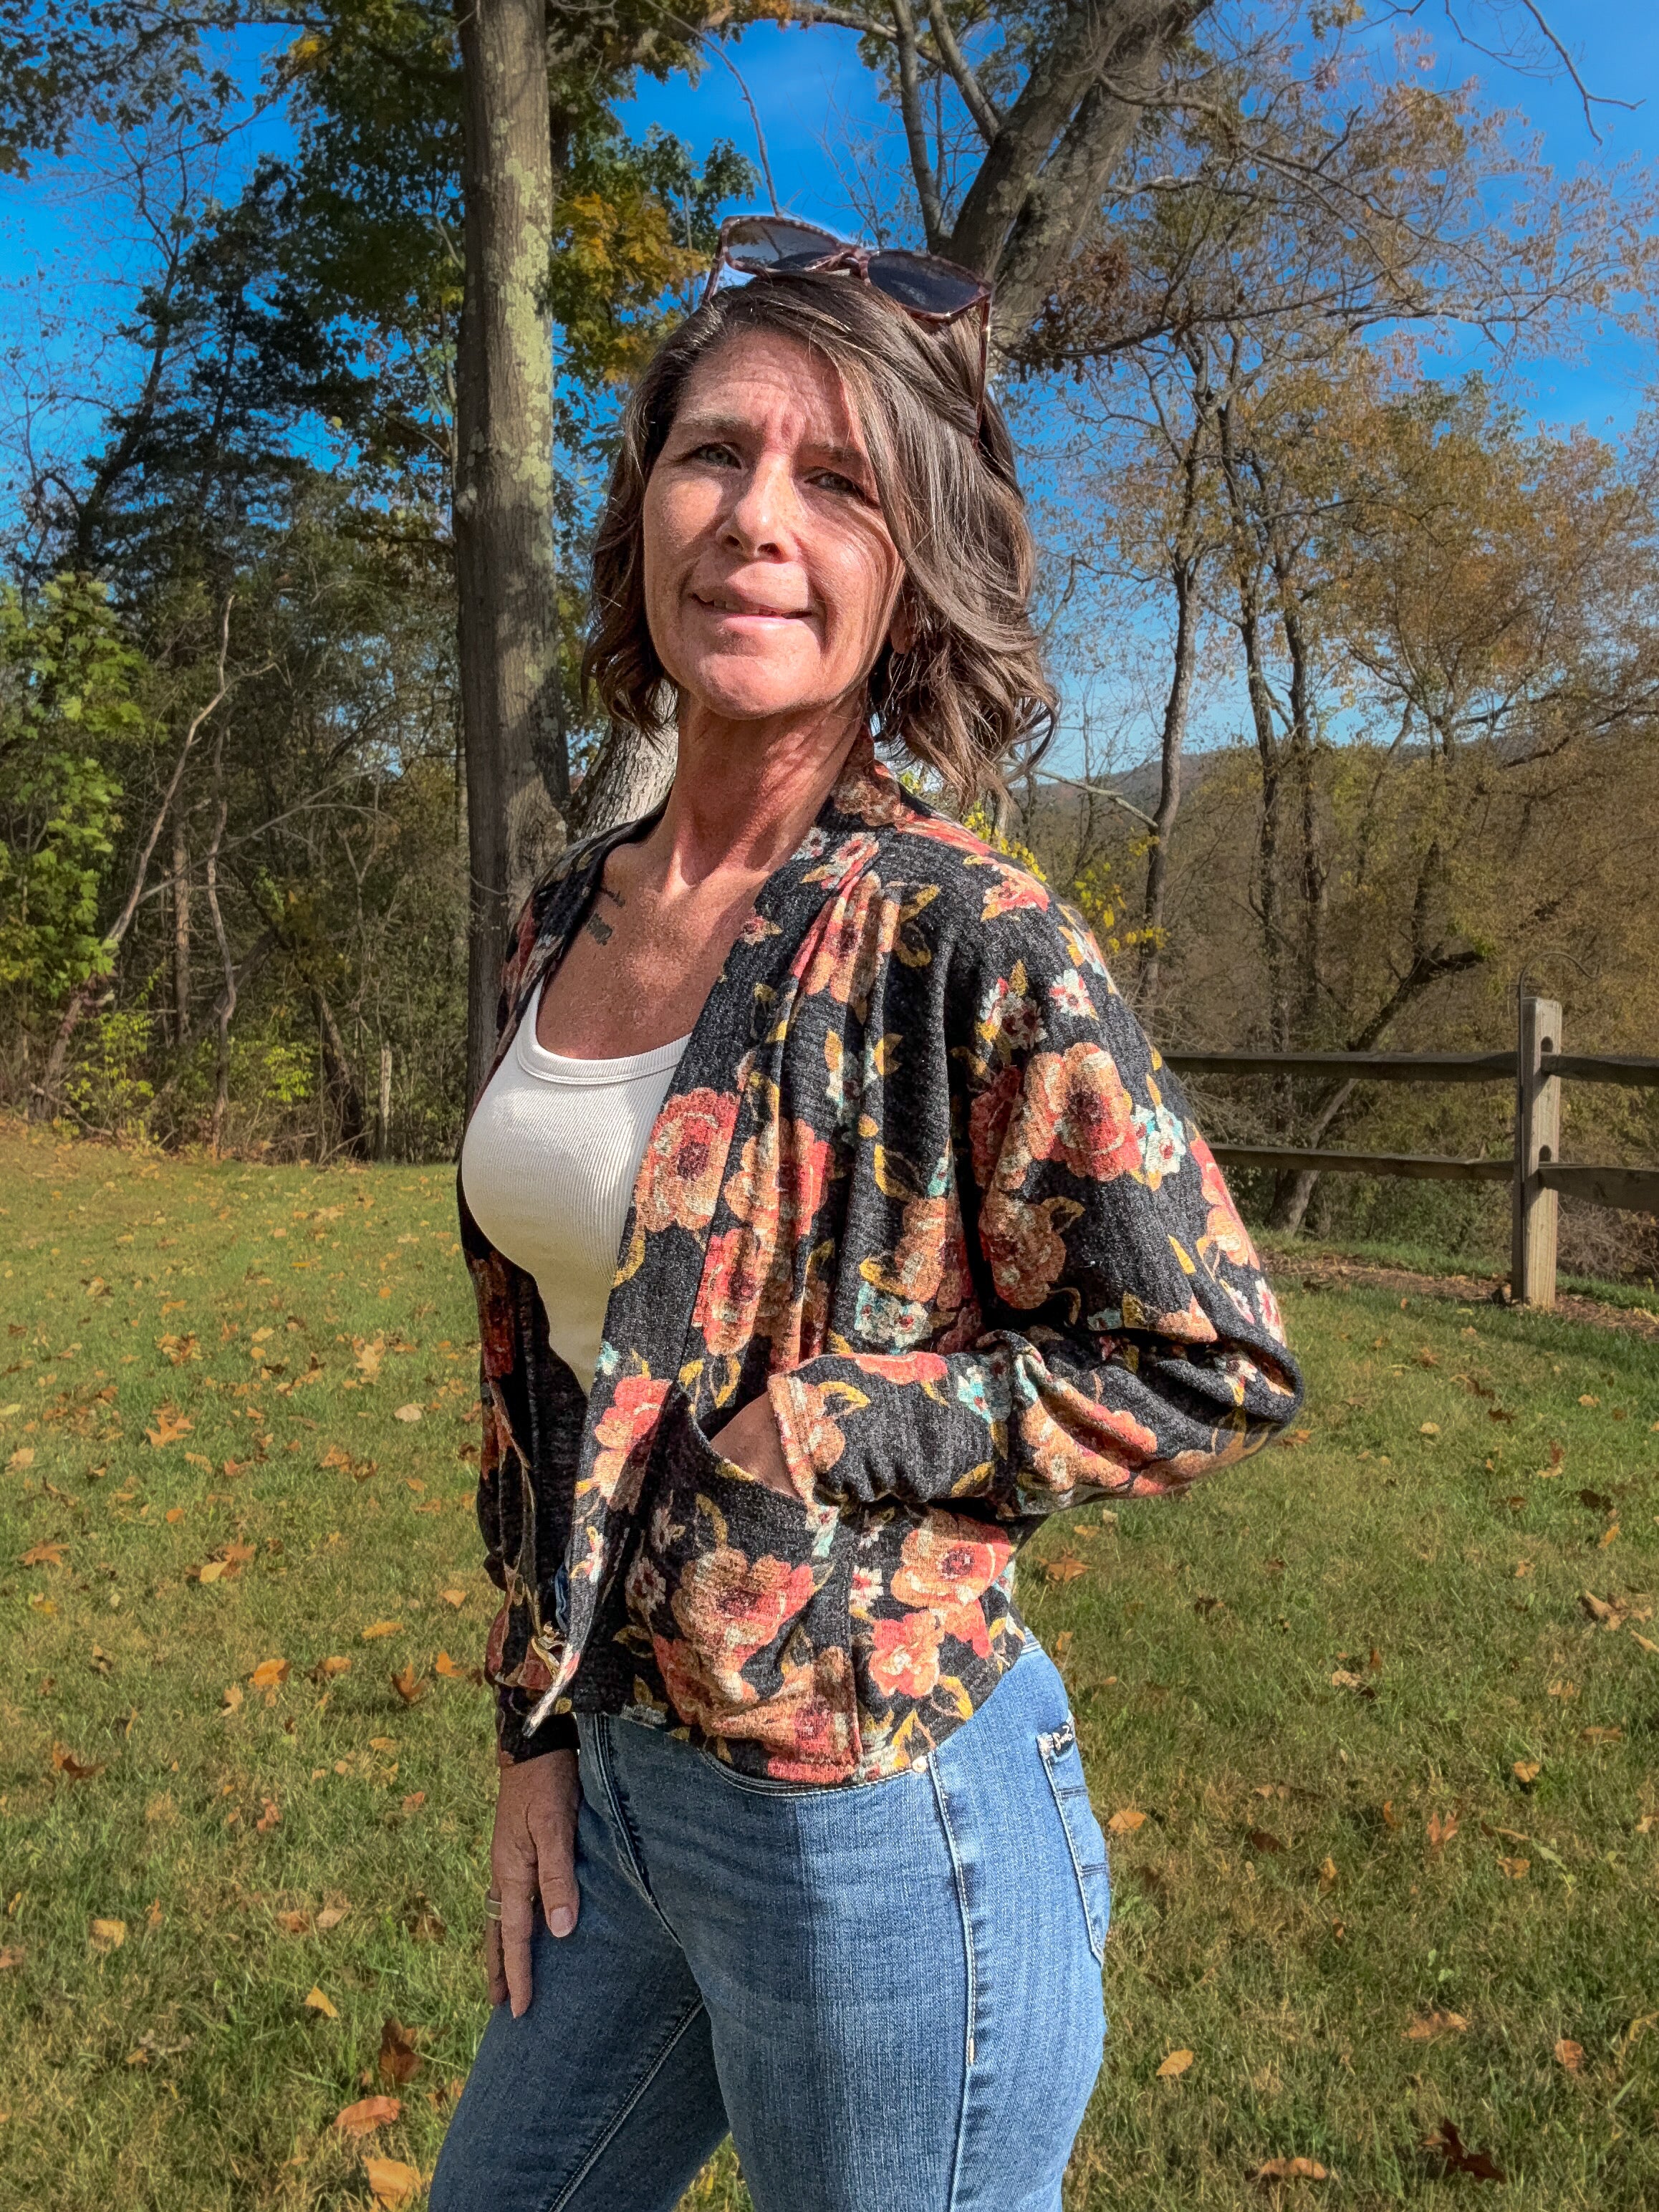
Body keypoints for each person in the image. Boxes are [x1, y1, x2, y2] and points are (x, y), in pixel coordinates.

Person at [434, 217, 1302, 2212]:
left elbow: (1205, 1363)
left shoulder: (961, 934)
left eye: (838, 485)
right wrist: (531, 1728)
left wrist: (820, 1425)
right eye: (712, 454)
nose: (756, 521)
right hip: (622, 1789)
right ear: (640, 503)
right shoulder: (558, 918)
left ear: (903, 574)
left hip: (879, 1826)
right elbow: (533, 1384)